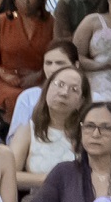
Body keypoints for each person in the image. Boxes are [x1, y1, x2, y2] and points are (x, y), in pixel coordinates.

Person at [0, 0, 55, 119]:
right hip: (9, 78)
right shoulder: (4, 20)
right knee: (13, 96)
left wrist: (39, 74)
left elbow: (60, 55)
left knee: (42, 97)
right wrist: (4, 75)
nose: (26, 2)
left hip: (42, 77)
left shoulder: (51, 22)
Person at [11, 64, 89, 192]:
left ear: (81, 101)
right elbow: (10, 175)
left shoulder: (88, 133)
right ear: (47, 88)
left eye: (74, 89)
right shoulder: (28, 129)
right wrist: (51, 179)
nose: (64, 93)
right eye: (59, 84)